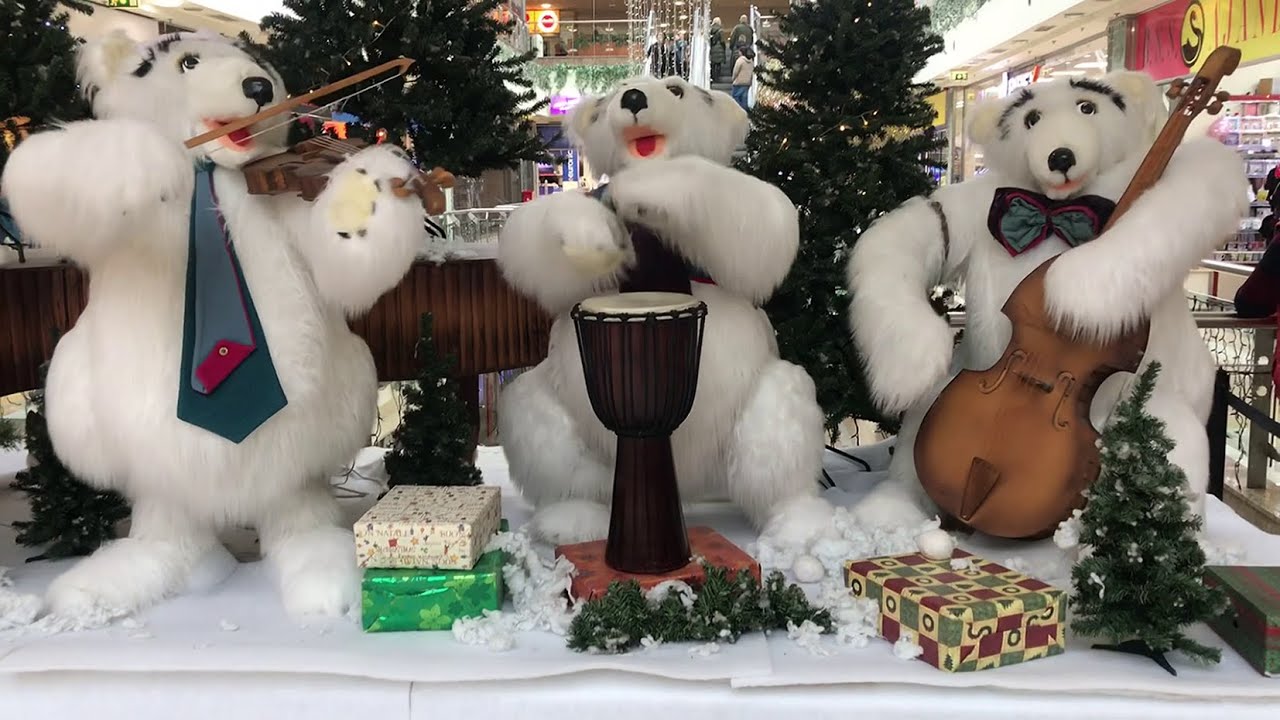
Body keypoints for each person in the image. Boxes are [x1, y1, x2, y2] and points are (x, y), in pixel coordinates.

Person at [731, 46, 753, 111]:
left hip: (739, 82)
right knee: (744, 99)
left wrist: (733, 78)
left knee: (735, 97)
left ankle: (739, 110)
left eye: (739, 51)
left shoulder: (740, 60)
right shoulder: (751, 61)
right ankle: (745, 112)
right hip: (747, 82)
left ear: (741, 52)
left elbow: (735, 71)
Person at [709, 17, 726, 81]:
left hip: (713, 48)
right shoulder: (720, 30)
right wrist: (724, 47)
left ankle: (712, 77)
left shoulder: (710, 30)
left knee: (712, 64)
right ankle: (717, 77)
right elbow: (722, 41)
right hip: (719, 48)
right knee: (718, 64)